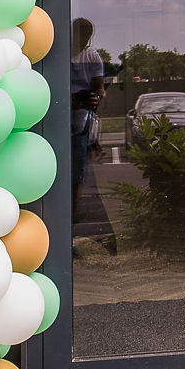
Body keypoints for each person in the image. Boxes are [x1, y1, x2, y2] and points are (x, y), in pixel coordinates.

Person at [70, 16, 115, 253]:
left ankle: (71, 227)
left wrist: (95, 98)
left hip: (80, 126)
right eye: (80, 35)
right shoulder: (60, 53)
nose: (83, 41)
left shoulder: (92, 57)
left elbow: (100, 91)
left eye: (86, 37)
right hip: (60, 123)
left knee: (77, 179)